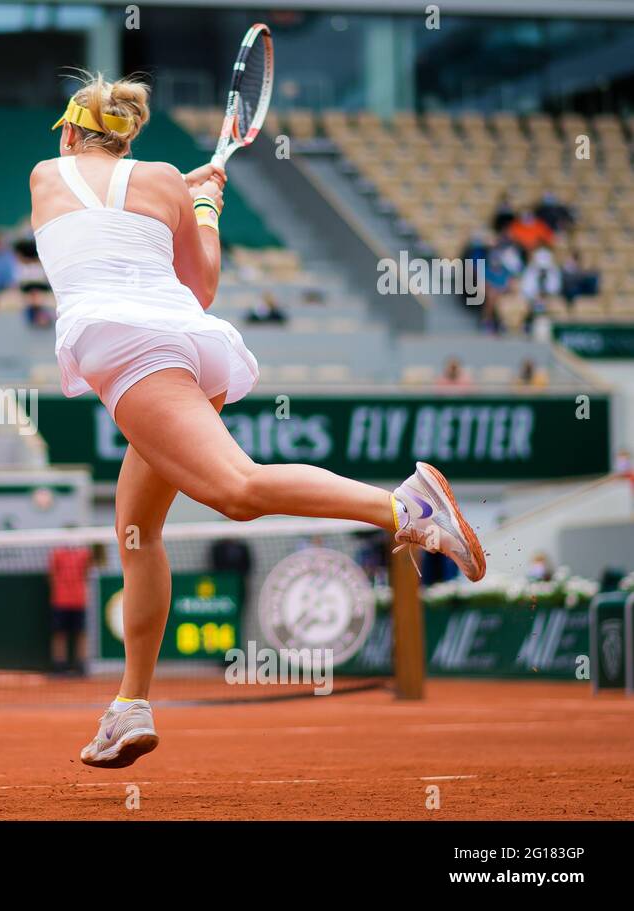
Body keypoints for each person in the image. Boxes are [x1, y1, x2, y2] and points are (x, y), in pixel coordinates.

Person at [30, 73, 485, 769]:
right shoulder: (162, 184)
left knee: (236, 491)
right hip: (186, 339)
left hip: (127, 348)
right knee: (138, 528)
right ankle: (130, 705)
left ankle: (405, 506)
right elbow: (200, 283)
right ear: (127, 135)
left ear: (68, 131)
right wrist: (203, 206)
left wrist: (193, 198)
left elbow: (97, 222)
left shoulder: (45, 174)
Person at [48, 539, 101, 675]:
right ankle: (59, 665)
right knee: (59, 633)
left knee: (81, 633)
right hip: (60, 600)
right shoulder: (57, 553)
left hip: (79, 600)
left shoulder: (84, 553)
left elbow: (91, 568)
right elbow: (52, 575)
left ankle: (80, 665)